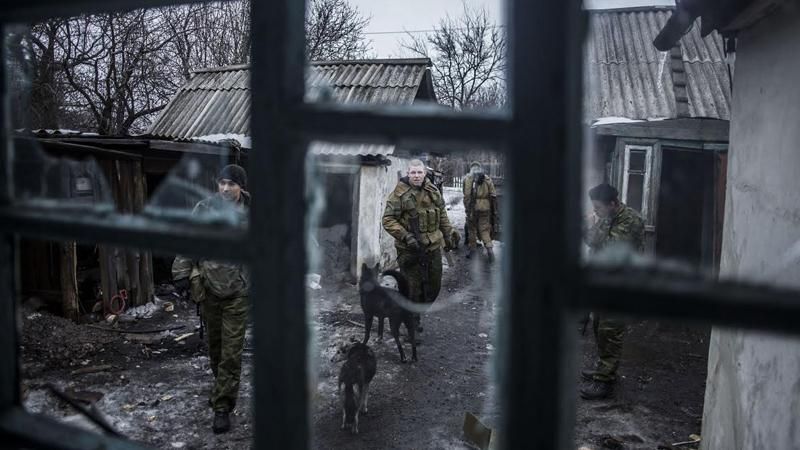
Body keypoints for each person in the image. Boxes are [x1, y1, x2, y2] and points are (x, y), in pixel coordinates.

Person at [172, 164, 250, 433]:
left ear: (241, 186)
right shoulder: (204, 209)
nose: (226, 188)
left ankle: (222, 407)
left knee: (231, 353)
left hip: (239, 292)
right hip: (208, 290)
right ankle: (223, 388)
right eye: (222, 183)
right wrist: (182, 274)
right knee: (216, 350)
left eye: (232, 183)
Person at [581, 183, 644, 400]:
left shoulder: (631, 220)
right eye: (594, 208)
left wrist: (596, 227)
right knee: (600, 328)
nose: (596, 211)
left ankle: (605, 382)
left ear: (613, 204)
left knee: (611, 331)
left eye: (598, 207)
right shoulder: (607, 218)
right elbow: (591, 241)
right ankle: (604, 369)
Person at [382, 159, 459, 333]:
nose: (416, 176)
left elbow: (442, 215)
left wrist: (449, 234)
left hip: (432, 248)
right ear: (408, 173)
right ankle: (411, 322)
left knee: (434, 287)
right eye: (413, 173)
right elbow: (388, 219)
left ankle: (413, 312)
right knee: (412, 289)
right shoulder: (399, 194)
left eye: (419, 172)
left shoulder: (433, 191)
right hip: (409, 250)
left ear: (425, 173)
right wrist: (405, 236)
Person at [462, 161, 498, 262]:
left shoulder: (468, 178)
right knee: (484, 229)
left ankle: (472, 251)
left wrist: (467, 209)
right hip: (485, 208)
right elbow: (493, 195)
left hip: (472, 208)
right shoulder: (487, 178)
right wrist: (493, 210)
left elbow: (466, 195)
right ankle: (490, 250)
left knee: (472, 229)